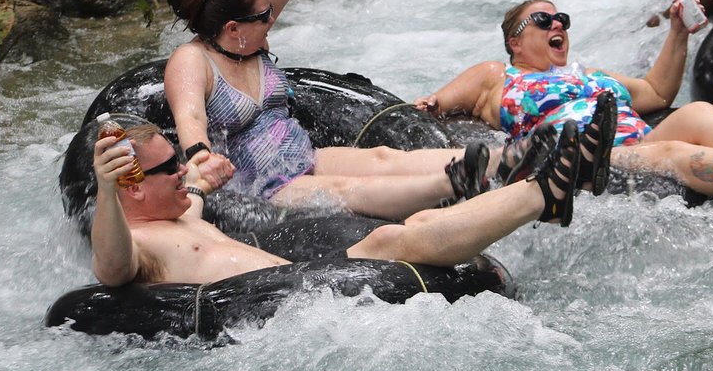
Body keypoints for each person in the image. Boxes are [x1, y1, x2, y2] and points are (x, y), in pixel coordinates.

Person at [164, 0, 501, 222]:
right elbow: (191, 117)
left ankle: (506, 159)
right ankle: (456, 183)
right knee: (346, 191)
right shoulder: (192, 60)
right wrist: (202, 155)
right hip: (263, 187)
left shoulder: (247, 38)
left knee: (384, 158)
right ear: (234, 28)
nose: (273, 18)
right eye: (265, 15)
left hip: (303, 157)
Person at [90, 118, 609, 287]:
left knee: (415, 224)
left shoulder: (183, 210)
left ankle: (546, 190)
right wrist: (106, 188)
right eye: (168, 169)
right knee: (389, 238)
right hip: (284, 308)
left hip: (300, 286)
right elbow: (112, 269)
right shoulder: (139, 244)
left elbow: (197, 186)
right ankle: (547, 192)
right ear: (130, 186)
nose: (181, 171)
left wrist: (199, 176)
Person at [416, 0, 713, 201]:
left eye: (562, 19)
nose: (557, 23)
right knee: (672, 150)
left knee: (699, 112)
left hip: (635, 139)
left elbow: (656, 92)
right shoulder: (499, 74)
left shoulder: (590, 75)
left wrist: (677, 33)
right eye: (544, 20)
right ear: (516, 41)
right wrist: (432, 103)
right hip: (583, 155)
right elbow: (441, 102)